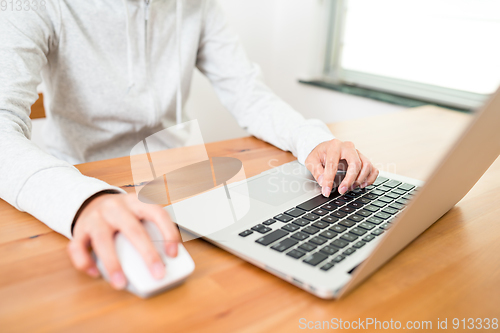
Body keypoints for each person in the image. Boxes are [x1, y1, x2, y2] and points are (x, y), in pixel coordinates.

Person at [0, 0, 378, 290]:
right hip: (79, 181)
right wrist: (83, 200)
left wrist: (313, 140)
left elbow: (247, 93)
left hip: (177, 182)